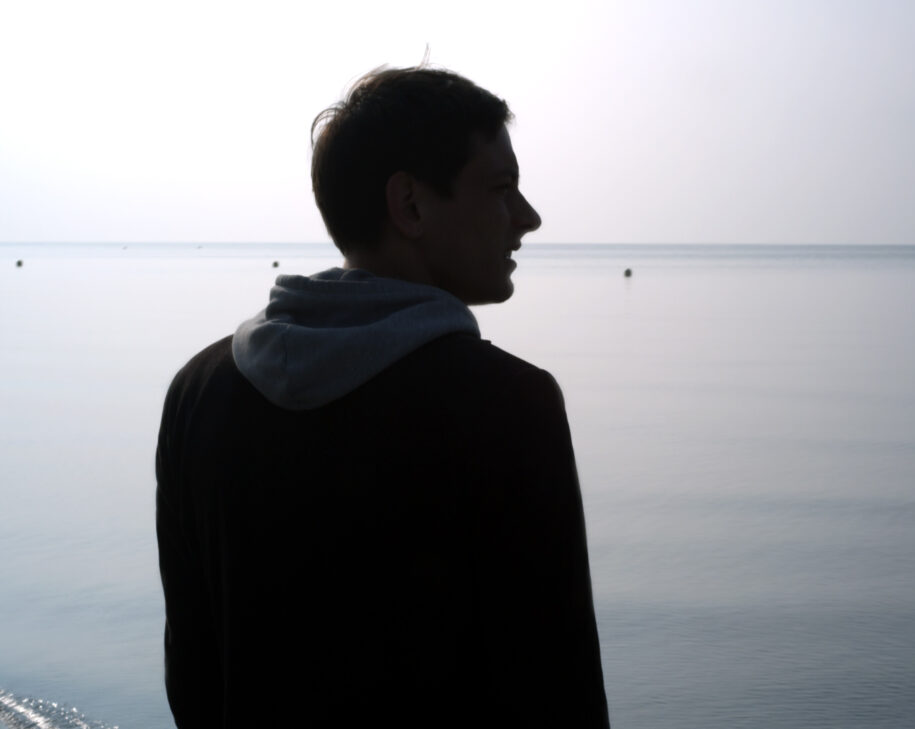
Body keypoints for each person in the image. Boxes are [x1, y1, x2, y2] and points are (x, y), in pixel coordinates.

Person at [155, 66, 609, 727]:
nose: (528, 217)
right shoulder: (508, 407)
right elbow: (556, 690)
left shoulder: (198, 392)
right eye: (501, 187)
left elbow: (192, 678)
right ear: (411, 205)